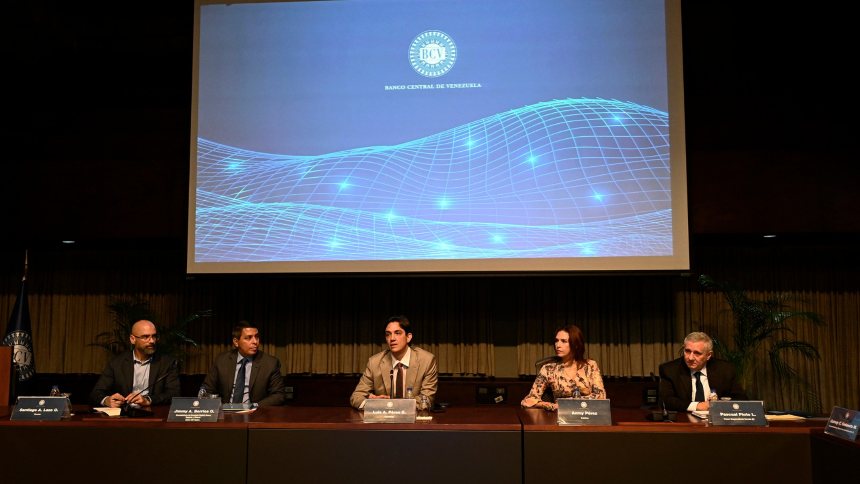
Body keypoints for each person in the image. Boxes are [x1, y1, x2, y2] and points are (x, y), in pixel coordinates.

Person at [350, 315, 438, 409]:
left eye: (397, 333)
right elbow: (356, 397)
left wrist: (390, 404)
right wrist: (375, 403)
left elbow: (427, 399)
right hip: (385, 417)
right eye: (388, 334)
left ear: (408, 337)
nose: (392, 338)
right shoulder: (374, 362)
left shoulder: (427, 360)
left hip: (414, 417)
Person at [89, 319, 180, 408]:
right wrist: (106, 400)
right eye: (145, 337)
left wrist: (148, 400)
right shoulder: (117, 363)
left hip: (153, 412)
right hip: (124, 413)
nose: (152, 341)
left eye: (154, 336)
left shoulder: (167, 363)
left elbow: (174, 394)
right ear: (132, 339)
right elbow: (96, 393)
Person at [200, 321, 286, 406]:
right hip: (225, 411)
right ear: (236, 342)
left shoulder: (270, 363)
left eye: (256, 337)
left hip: (255, 412)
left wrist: (253, 406)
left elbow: (278, 395)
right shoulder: (222, 360)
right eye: (248, 338)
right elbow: (207, 390)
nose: (255, 342)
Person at [521, 324, 606, 410]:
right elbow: (528, 401)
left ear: (576, 344)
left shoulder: (590, 365)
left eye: (564, 341)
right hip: (561, 415)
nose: (558, 345)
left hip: (588, 413)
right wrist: (551, 406)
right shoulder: (548, 369)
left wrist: (565, 403)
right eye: (556, 341)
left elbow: (600, 396)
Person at [658, 331, 746, 412]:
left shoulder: (725, 369)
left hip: (717, 419)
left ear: (708, 355)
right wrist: (697, 406)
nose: (690, 358)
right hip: (684, 419)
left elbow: (740, 398)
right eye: (687, 351)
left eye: (697, 353)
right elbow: (667, 401)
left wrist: (719, 404)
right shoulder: (669, 370)